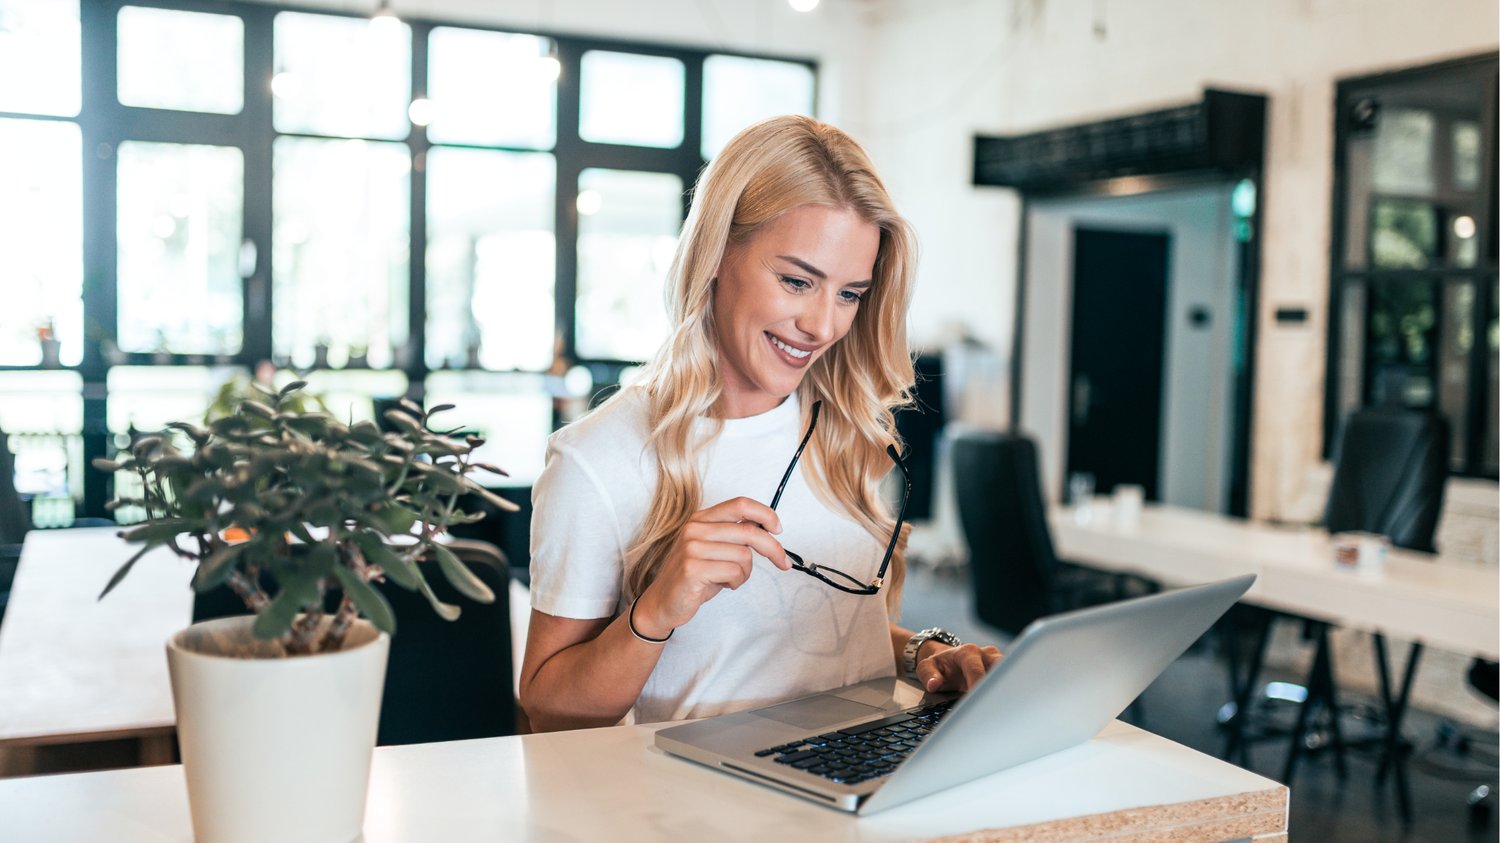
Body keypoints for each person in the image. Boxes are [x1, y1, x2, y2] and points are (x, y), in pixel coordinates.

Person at [518, 115, 1000, 733]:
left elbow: (817, 625)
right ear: (716, 253)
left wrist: (921, 653)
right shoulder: (598, 459)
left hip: (857, 778)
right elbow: (548, 706)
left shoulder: (841, 427)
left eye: (849, 294)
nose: (823, 326)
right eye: (798, 281)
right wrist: (659, 606)